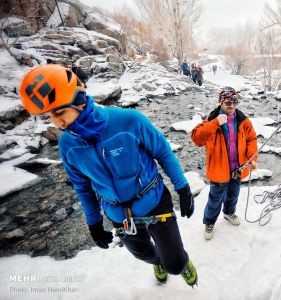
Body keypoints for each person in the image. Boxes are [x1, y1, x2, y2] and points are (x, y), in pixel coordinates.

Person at [19, 64, 198, 286]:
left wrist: (183, 188)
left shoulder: (129, 120)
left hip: (153, 200)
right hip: (118, 213)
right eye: (49, 116)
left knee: (176, 265)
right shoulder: (67, 145)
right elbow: (82, 187)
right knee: (143, 254)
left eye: (59, 112)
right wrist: (94, 223)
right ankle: (157, 261)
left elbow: (163, 152)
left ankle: (178, 262)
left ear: (79, 101)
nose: (56, 122)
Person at [191, 87, 258, 240]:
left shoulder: (243, 120)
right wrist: (215, 123)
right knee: (215, 198)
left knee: (233, 194)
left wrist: (252, 158)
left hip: (238, 167)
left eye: (235, 102)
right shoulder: (211, 119)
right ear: (221, 102)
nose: (232, 105)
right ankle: (209, 222)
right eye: (228, 102)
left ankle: (228, 213)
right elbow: (197, 139)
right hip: (219, 168)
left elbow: (251, 139)